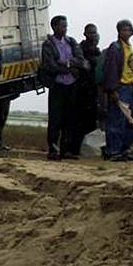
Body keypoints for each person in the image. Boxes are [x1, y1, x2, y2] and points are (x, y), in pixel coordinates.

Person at [40, 15, 87, 160]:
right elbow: (50, 65)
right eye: (62, 26)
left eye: (66, 26)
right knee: (55, 119)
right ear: (54, 27)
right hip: (57, 85)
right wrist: (69, 67)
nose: (65, 29)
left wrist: (65, 63)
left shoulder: (71, 42)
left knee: (69, 118)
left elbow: (80, 60)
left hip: (71, 84)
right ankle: (53, 149)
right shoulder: (48, 45)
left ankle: (66, 150)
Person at [102, 19, 133, 161]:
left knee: (129, 121)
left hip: (130, 87)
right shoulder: (115, 47)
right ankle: (114, 151)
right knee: (116, 120)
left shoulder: (129, 47)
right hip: (120, 87)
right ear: (119, 31)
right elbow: (111, 69)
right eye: (124, 30)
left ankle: (124, 150)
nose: (127, 32)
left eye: (129, 30)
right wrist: (113, 90)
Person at [72, 23, 101, 155]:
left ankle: (87, 150)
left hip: (93, 90)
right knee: (79, 121)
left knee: (91, 121)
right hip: (81, 89)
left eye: (95, 33)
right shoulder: (80, 49)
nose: (93, 35)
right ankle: (76, 148)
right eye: (91, 33)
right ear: (85, 34)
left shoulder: (96, 50)